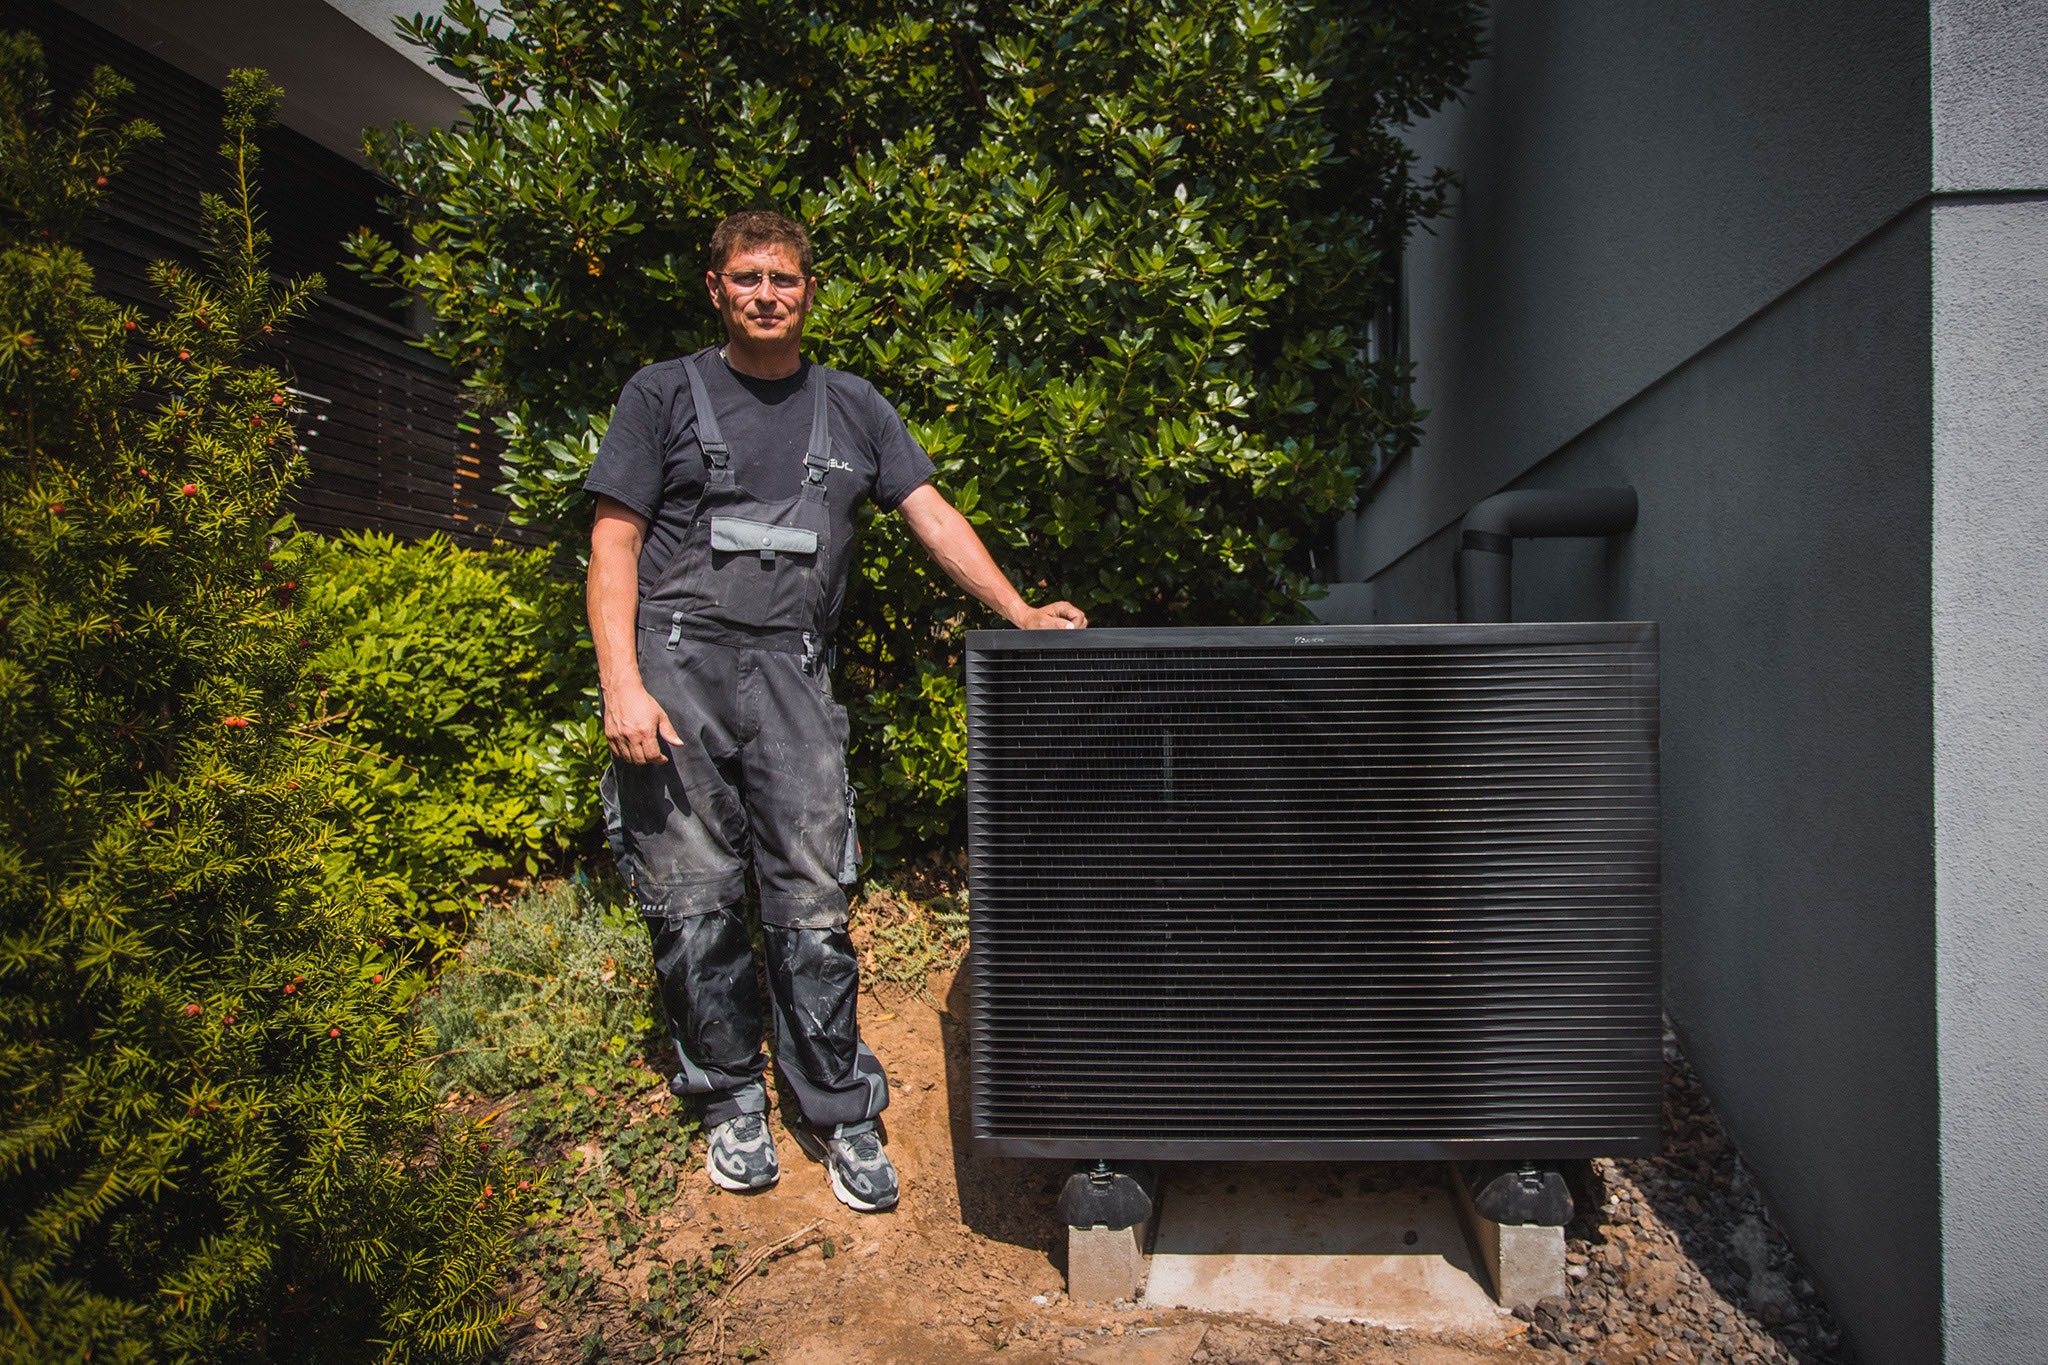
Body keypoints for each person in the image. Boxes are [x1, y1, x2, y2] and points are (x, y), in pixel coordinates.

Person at [584, 210, 1085, 1213]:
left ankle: (839, 1109)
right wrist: (620, 687)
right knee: (691, 903)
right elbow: (612, 544)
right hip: (672, 673)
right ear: (716, 289)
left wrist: (1016, 609)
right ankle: (729, 1096)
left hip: (792, 677)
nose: (765, 294)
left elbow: (930, 514)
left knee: (811, 903)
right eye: (745, 278)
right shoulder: (660, 396)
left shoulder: (852, 407)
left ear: (810, 291)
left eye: (783, 279)